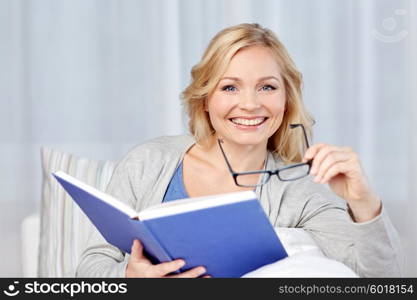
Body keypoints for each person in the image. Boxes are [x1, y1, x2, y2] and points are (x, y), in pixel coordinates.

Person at [76, 23, 404, 278]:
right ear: (206, 98)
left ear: (286, 98)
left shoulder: (299, 191)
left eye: (267, 87)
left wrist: (363, 201)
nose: (250, 104)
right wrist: (129, 277)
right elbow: (91, 266)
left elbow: (378, 279)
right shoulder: (148, 162)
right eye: (230, 87)